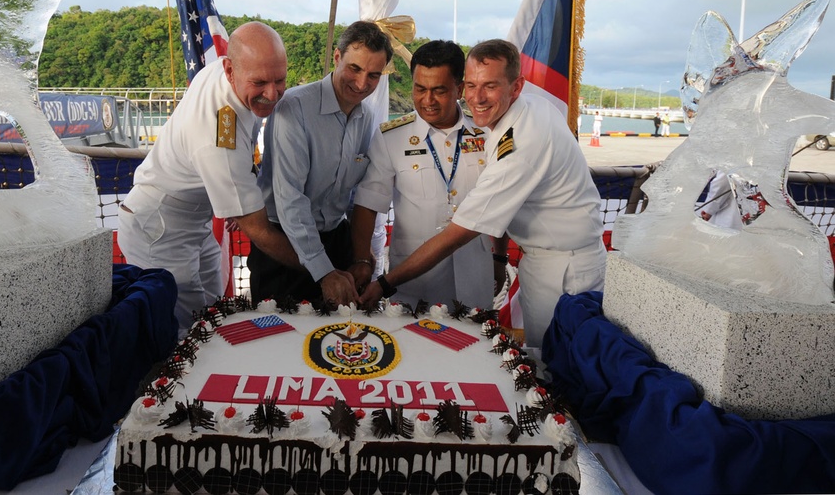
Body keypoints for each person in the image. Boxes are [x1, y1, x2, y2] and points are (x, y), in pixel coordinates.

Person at [360, 39, 607, 348]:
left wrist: (384, 283)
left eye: (490, 86)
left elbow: (462, 230)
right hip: (528, 265)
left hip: (561, 270)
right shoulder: (527, 111)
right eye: (474, 85)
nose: (477, 97)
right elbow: (368, 204)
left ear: (516, 87)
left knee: (554, 361)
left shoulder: (516, 144)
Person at [117, 22, 302, 336]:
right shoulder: (219, 137)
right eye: (260, 82)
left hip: (194, 219)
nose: (272, 94)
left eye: (280, 80)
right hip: (160, 228)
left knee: (214, 309)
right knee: (184, 331)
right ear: (230, 70)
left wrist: (234, 197)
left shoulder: (224, 71)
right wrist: (321, 270)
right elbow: (257, 229)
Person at [248, 20, 393, 305]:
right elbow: (290, 199)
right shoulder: (294, 108)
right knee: (276, 343)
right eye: (355, 68)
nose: (362, 84)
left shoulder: (366, 119)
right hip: (284, 245)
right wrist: (324, 272)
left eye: (373, 75)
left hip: (336, 241)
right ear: (337, 58)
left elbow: (354, 196)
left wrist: (361, 253)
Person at [350, 40, 494, 308]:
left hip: (475, 276)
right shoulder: (391, 137)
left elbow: (500, 203)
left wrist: (499, 259)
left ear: (459, 89)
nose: (427, 101)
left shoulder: (487, 135)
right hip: (412, 283)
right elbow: (368, 204)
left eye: (439, 91)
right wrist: (361, 259)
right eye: (420, 89)